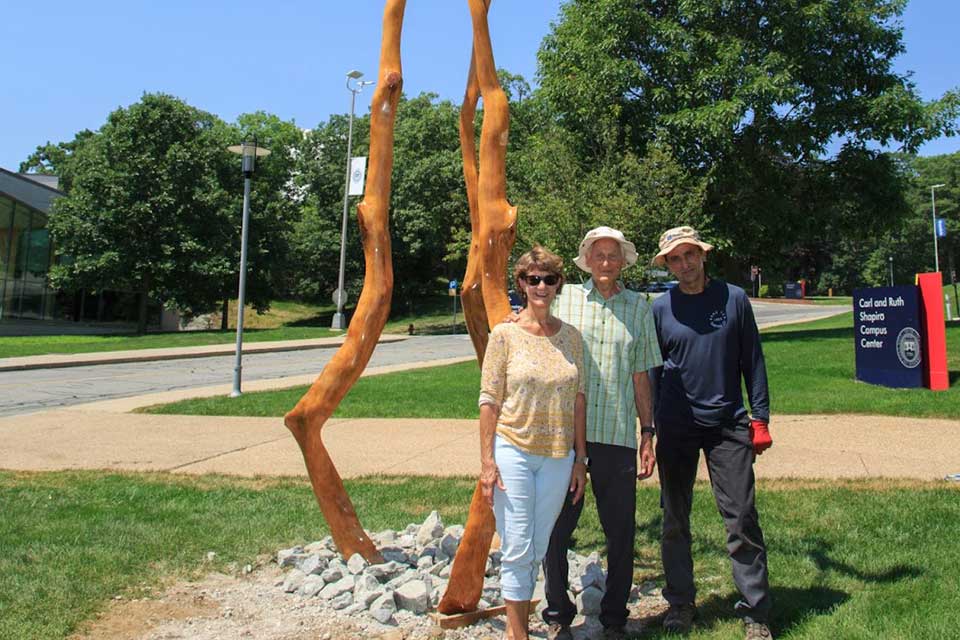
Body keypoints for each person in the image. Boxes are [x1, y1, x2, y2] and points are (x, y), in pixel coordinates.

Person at [650, 226, 774, 640]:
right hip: (676, 427)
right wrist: (648, 430)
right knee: (674, 518)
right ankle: (681, 603)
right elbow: (651, 373)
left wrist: (760, 418)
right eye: (675, 258)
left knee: (740, 517)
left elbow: (752, 361)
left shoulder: (733, 299)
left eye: (690, 255)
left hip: (728, 425)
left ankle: (756, 612)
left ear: (703, 256)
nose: (684, 264)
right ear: (667, 263)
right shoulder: (660, 308)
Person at [541, 227, 663, 640]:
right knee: (557, 528)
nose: (606, 262)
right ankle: (558, 611)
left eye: (613, 255)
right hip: (566, 434)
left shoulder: (638, 308)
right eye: (599, 255)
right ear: (587, 261)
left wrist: (647, 434)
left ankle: (614, 616)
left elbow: (641, 374)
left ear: (623, 261)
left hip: (616, 433)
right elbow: (533, 319)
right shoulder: (566, 298)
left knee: (620, 529)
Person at [479, 246, 588, 640]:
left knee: (539, 544)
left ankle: (520, 627)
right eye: (532, 279)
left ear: (559, 284)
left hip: (559, 457)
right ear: (521, 284)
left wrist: (580, 460)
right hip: (514, 451)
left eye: (549, 279)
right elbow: (489, 401)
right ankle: (516, 633)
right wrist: (487, 463)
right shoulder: (504, 335)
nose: (541, 286)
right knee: (517, 544)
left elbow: (579, 400)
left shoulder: (572, 338)